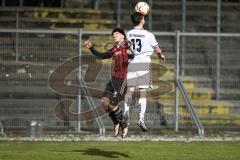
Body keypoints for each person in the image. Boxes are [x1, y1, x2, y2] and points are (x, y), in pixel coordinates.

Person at [121, 12, 166, 137]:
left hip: (131, 65)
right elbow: (157, 49)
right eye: (143, 17)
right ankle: (141, 119)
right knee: (143, 93)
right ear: (141, 20)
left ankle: (126, 112)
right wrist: (160, 55)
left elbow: (124, 48)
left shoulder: (128, 34)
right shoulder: (148, 35)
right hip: (144, 65)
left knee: (129, 91)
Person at [84, 28, 134, 137]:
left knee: (112, 104)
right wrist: (91, 48)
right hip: (113, 81)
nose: (114, 35)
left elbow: (131, 55)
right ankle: (117, 122)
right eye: (113, 34)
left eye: (116, 33)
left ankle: (124, 124)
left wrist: (130, 54)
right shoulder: (114, 49)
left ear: (122, 36)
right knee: (104, 101)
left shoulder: (126, 46)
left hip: (122, 81)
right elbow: (101, 56)